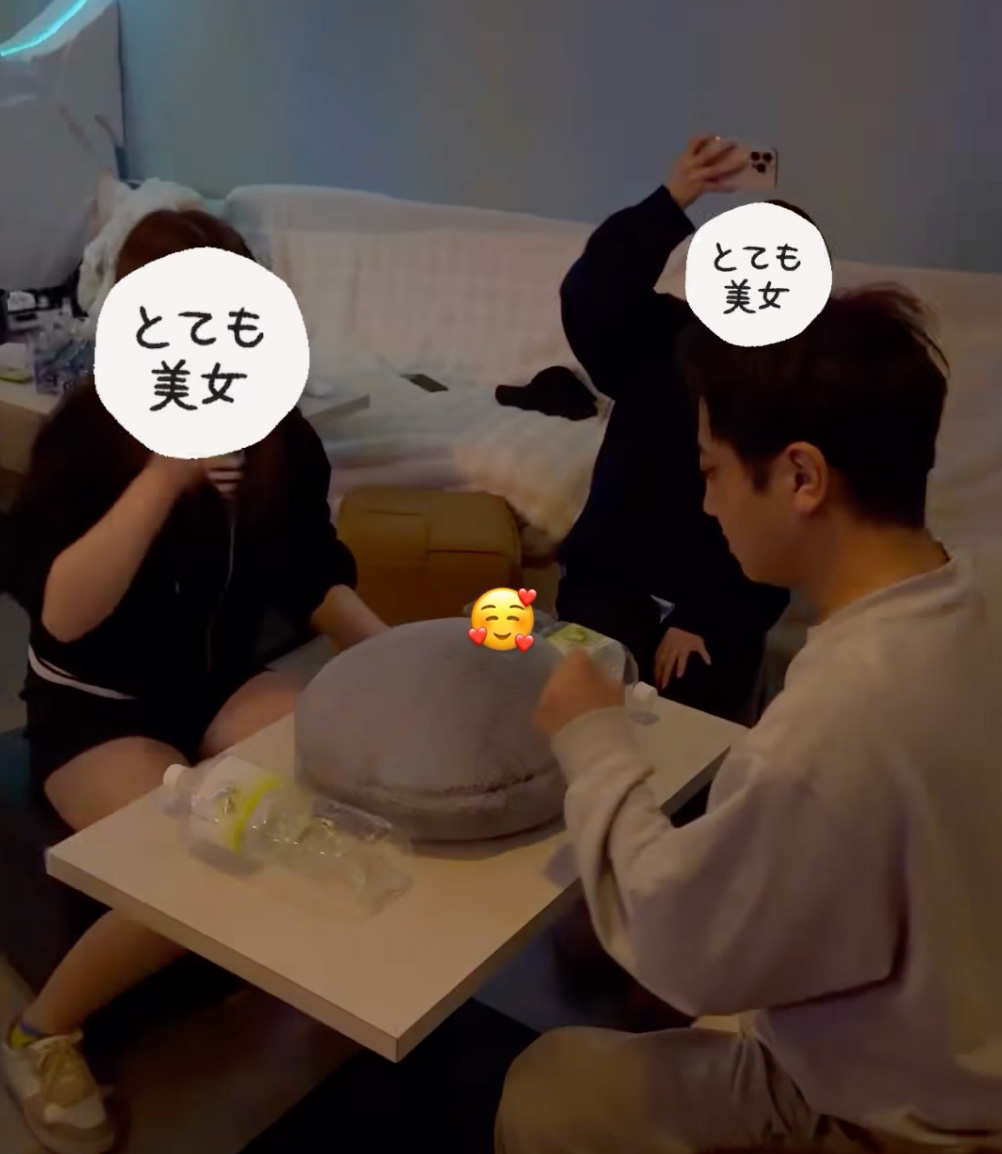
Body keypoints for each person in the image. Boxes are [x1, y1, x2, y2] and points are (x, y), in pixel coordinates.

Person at [496, 286, 1002, 1153]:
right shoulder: (981, 587)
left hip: (899, 1117)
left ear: (801, 477)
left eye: (711, 471)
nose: (706, 505)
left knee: (542, 1084)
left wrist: (592, 736)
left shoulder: (838, 721)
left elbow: (676, 943)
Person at [1, 209, 388, 1154]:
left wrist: (395, 658)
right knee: (199, 854)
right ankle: (40, 1033)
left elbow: (307, 568)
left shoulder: (280, 435)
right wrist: (162, 476)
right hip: (95, 705)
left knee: (348, 765)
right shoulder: (89, 435)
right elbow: (62, 610)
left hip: (216, 683)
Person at [557, 135, 792, 725]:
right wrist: (674, 199)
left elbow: (786, 526)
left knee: (690, 712)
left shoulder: (799, 380)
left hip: (722, 597)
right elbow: (591, 295)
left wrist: (703, 615)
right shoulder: (662, 336)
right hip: (611, 575)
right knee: (591, 695)